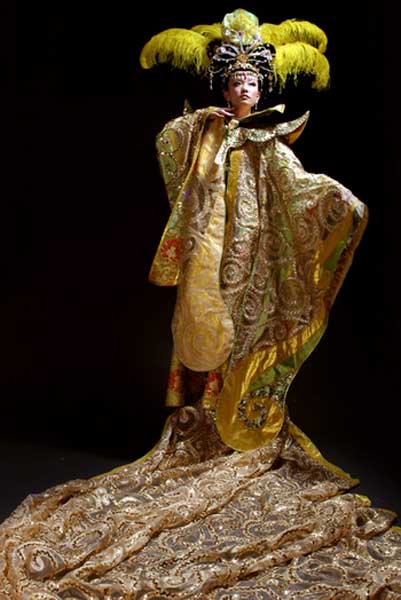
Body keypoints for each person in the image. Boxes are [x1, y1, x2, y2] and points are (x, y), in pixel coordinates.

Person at [1, 9, 400, 599]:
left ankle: (242, 424)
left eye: (253, 82)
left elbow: (299, 187)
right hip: (212, 256)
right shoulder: (202, 130)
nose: (246, 89)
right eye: (237, 82)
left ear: (262, 87)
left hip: (255, 255)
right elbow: (171, 150)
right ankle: (204, 424)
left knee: (248, 327)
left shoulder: (268, 140)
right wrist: (203, 131)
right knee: (208, 328)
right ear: (224, 87)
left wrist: (339, 202)